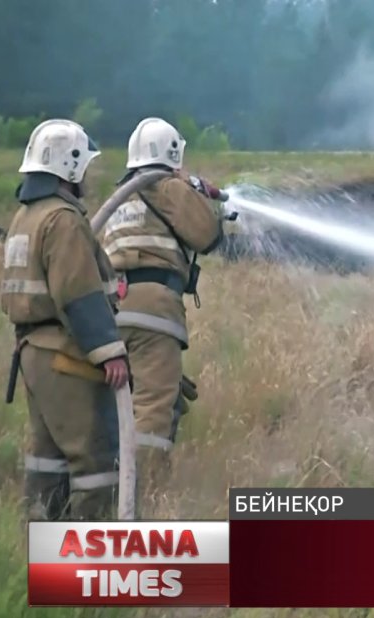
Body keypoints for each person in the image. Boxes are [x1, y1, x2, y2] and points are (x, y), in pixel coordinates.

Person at [1, 119, 131, 521]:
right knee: (95, 458)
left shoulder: (27, 217)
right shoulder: (64, 220)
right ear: (69, 166)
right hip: (64, 355)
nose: (87, 176)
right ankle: (94, 545)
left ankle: (38, 538)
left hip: (33, 354)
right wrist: (109, 351)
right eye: (84, 166)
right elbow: (77, 294)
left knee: (49, 459)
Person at [101, 117, 224, 508]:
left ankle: (108, 492)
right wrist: (195, 192)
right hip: (152, 309)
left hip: (110, 311)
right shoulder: (168, 186)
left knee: (124, 405)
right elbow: (207, 234)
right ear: (173, 154)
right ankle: (143, 500)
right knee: (154, 408)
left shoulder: (121, 197)